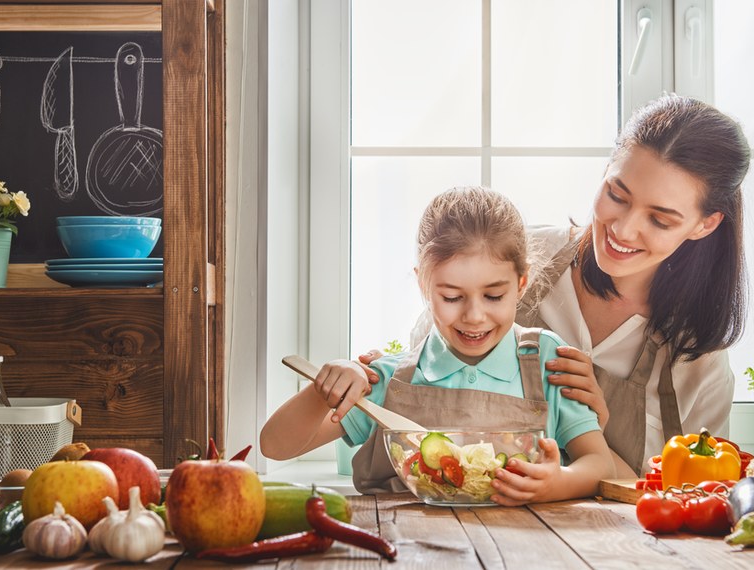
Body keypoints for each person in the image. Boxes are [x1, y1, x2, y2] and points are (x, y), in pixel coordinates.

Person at [361, 94, 751, 478]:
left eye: (660, 220)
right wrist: (379, 377)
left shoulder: (698, 360)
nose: (623, 228)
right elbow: (423, 390)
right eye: (617, 195)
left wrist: (593, 431)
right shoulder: (520, 258)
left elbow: (692, 500)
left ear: (705, 224)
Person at [260, 186, 615, 505]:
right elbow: (275, 446)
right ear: (423, 286)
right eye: (451, 296)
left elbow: (599, 463)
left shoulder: (545, 361)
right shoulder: (387, 379)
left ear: (521, 284)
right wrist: (323, 390)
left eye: (494, 295)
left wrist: (558, 483)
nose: (474, 316)